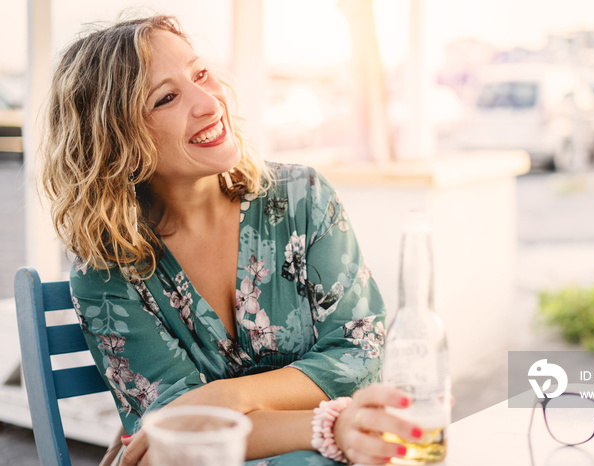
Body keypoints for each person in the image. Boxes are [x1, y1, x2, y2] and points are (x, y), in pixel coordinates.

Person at [41, 14, 422, 466]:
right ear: (116, 141)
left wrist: (224, 398)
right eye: (167, 98)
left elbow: (361, 354)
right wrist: (331, 426)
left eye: (201, 74)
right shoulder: (106, 272)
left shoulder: (303, 199)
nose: (208, 102)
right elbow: (177, 438)